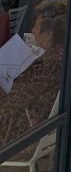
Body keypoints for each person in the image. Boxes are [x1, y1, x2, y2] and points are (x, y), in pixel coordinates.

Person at [0, 14, 66, 147]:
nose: (33, 31)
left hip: (22, 129)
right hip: (50, 123)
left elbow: (13, 103)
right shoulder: (70, 57)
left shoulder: (46, 66)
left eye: (36, 27)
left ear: (48, 34)